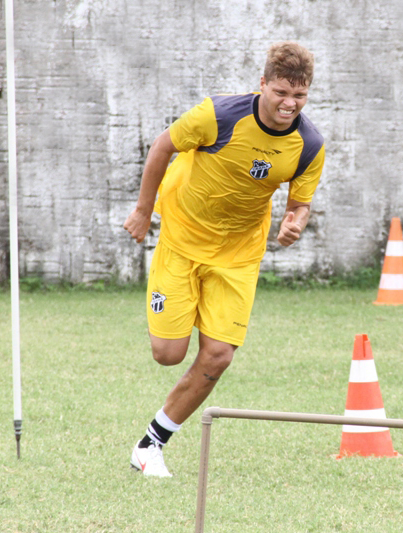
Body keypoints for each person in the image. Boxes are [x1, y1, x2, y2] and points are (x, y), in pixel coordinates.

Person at [123, 41, 325, 476]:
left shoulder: (308, 144)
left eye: (300, 96)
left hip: (237, 255)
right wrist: (143, 210)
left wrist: (296, 222)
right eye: (282, 93)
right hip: (182, 239)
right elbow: (163, 146)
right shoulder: (219, 115)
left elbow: (300, 203)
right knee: (168, 354)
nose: (290, 104)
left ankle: (151, 445)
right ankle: (183, 307)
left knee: (218, 356)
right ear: (263, 84)